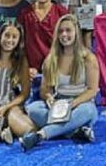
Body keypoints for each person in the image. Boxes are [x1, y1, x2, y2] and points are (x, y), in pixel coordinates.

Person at [20, 13, 101, 149]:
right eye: (61, 31)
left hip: (80, 104)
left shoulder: (89, 58)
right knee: (33, 109)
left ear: (76, 33)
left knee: (88, 111)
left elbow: (92, 90)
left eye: (68, 30)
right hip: (58, 104)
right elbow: (45, 89)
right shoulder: (50, 59)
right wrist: (49, 98)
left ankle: (40, 135)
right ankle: (75, 131)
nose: (64, 35)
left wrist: (73, 104)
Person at [17, 0, 68, 75]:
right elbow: (20, 45)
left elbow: (68, 44)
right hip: (31, 70)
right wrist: (25, 67)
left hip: (56, 68)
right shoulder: (25, 14)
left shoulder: (62, 13)